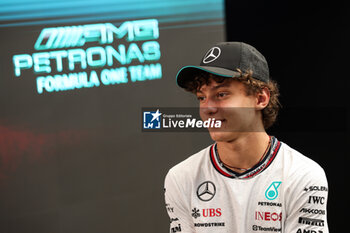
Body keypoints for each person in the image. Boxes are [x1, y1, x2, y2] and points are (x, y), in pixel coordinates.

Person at [164, 42, 328, 233]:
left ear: (260, 98)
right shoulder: (181, 177)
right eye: (201, 97)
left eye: (221, 94)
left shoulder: (303, 175)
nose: (208, 108)